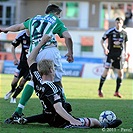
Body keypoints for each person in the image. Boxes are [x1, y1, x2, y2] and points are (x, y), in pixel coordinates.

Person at [4, 35, 122, 129]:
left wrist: (41, 42)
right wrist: (72, 120)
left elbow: (30, 59)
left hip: (49, 117)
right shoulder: (52, 87)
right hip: (61, 121)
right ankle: (104, 125)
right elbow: (58, 108)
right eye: (54, 68)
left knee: (51, 111)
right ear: (51, 70)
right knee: (95, 122)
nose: (55, 71)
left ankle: (25, 119)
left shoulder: (37, 79)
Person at [0, 4, 73, 119]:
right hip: (49, 50)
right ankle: (63, 109)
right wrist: (70, 53)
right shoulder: (55, 20)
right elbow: (68, 37)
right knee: (57, 81)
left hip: (34, 52)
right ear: (56, 14)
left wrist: (5, 29)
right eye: (59, 16)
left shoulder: (35, 18)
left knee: (34, 80)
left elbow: (18, 27)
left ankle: (18, 110)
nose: (59, 18)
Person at [98, 17, 128, 98]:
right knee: (106, 72)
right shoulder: (110, 31)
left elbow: (126, 43)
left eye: (120, 23)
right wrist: (105, 49)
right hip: (110, 55)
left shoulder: (124, 32)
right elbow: (102, 41)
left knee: (120, 73)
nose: (118, 24)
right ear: (115, 23)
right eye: (117, 23)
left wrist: (125, 52)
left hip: (120, 55)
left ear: (122, 23)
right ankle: (100, 89)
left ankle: (117, 91)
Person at [4, 29, 31, 103]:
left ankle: (14, 97)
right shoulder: (22, 35)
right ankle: (12, 90)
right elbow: (13, 46)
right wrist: (15, 58)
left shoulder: (35, 36)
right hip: (21, 64)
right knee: (14, 82)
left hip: (31, 65)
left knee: (22, 82)